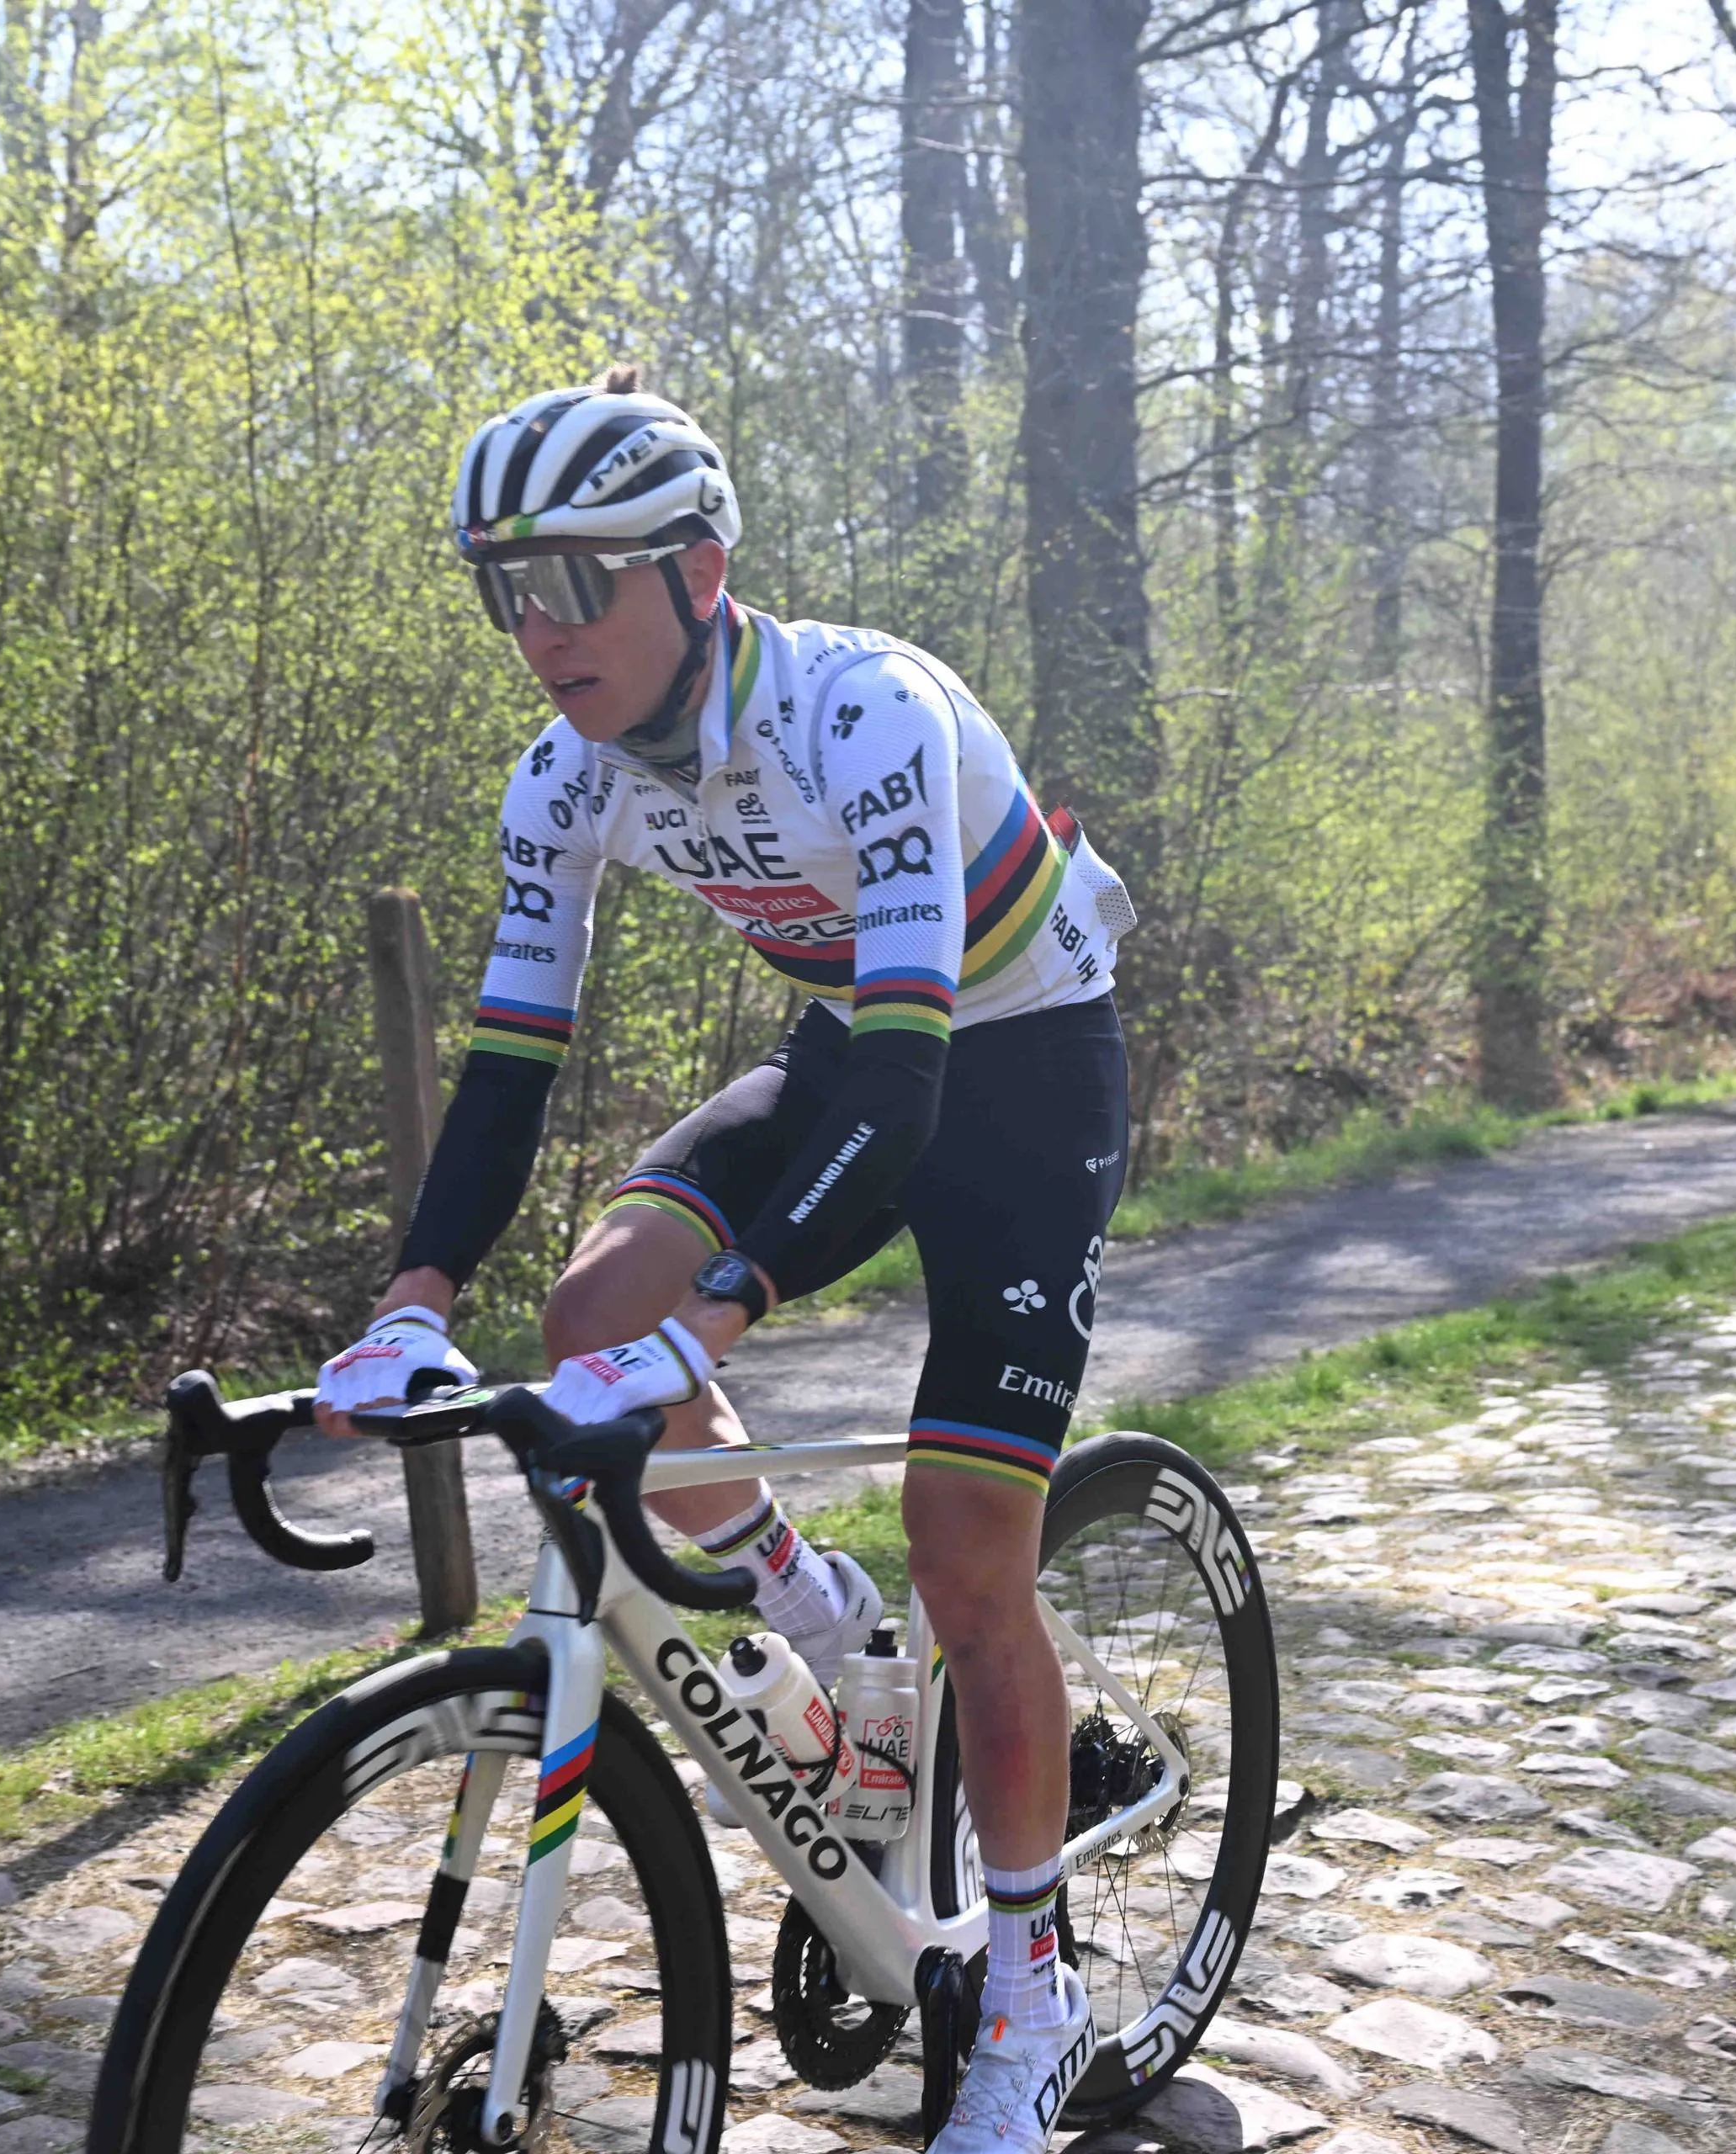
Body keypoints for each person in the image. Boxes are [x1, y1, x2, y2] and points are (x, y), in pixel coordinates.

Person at [311, 369, 1133, 2152]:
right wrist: (410, 1295)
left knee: (969, 1548)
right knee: (590, 1307)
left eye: (573, 581)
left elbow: (920, 1087)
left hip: (1012, 1066)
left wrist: (720, 1318)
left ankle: (1030, 1987)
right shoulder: (564, 778)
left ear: (697, 569)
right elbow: (515, 1062)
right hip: (859, 1044)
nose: (536, 631)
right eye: (501, 587)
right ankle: (815, 1618)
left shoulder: (866, 714)